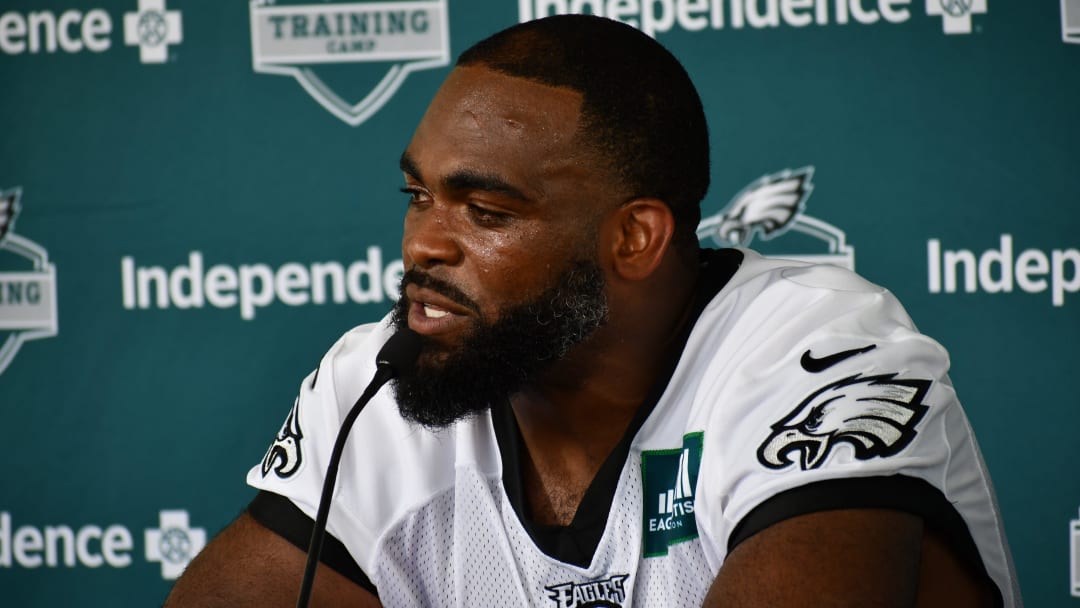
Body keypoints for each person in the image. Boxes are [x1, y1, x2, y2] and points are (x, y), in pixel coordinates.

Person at [165, 14, 1021, 608]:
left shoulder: (820, 346)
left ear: (634, 238)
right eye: (417, 195)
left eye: (485, 212)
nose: (424, 244)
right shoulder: (376, 379)